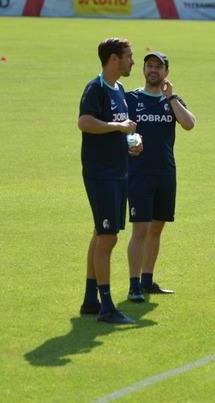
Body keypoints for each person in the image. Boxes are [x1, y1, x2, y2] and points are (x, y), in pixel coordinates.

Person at [78, 37, 142, 324]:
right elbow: (85, 122)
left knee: (100, 234)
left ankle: (91, 300)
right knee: (108, 238)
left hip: (119, 171)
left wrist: (132, 141)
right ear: (114, 59)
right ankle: (106, 307)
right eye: (129, 56)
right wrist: (118, 126)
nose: (132, 61)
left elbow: (120, 128)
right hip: (100, 173)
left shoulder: (119, 89)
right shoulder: (97, 88)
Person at [125, 51, 196, 303]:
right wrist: (128, 144)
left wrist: (171, 96)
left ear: (166, 72)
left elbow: (189, 124)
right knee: (140, 229)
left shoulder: (171, 100)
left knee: (156, 228)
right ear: (143, 70)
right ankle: (133, 285)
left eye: (158, 66)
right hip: (138, 174)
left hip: (165, 173)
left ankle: (147, 280)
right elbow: (119, 132)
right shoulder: (130, 99)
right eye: (149, 66)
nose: (153, 70)